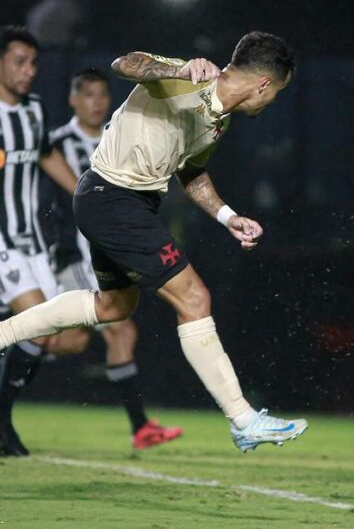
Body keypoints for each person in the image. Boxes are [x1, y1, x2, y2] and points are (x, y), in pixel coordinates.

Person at [0, 31, 308, 452]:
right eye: (277, 93)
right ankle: (243, 419)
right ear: (264, 84)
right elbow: (126, 63)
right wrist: (179, 69)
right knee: (194, 298)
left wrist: (228, 216)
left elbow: (192, 174)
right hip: (112, 198)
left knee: (114, 306)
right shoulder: (189, 77)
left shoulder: (220, 120)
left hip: (125, 205)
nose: (271, 102)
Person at [46, 68, 182, 449]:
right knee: (105, 332)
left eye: (103, 95)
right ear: (73, 99)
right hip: (71, 256)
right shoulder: (55, 144)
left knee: (82, 339)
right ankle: (139, 426)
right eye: (88, 95)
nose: (97, 102)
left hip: (107, 254)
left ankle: (140, 427)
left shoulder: (117, 135)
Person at [0, 25, 80, 455]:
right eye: (19, 61)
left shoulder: (33, 110)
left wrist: (87, 195)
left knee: (57, 334)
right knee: (35, 321)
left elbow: (48, 156)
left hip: (31, 241)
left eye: (33, 63)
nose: (29, 71)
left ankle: (2, 417)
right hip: (0, 242)